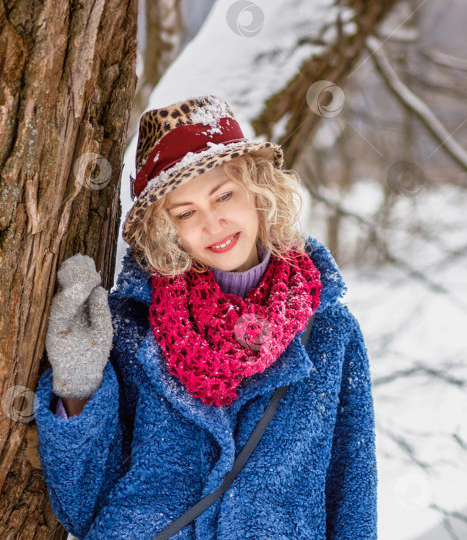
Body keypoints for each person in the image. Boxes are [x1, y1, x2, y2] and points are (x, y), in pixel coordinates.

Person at [33, 95, 377, 539]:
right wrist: (78, 390)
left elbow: (353, 494)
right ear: (165, 229)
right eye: (185, 212)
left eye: (224, 195)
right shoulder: (132, 326)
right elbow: (84, 507)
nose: (213, 223)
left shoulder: (330, 332)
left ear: (258, 191)